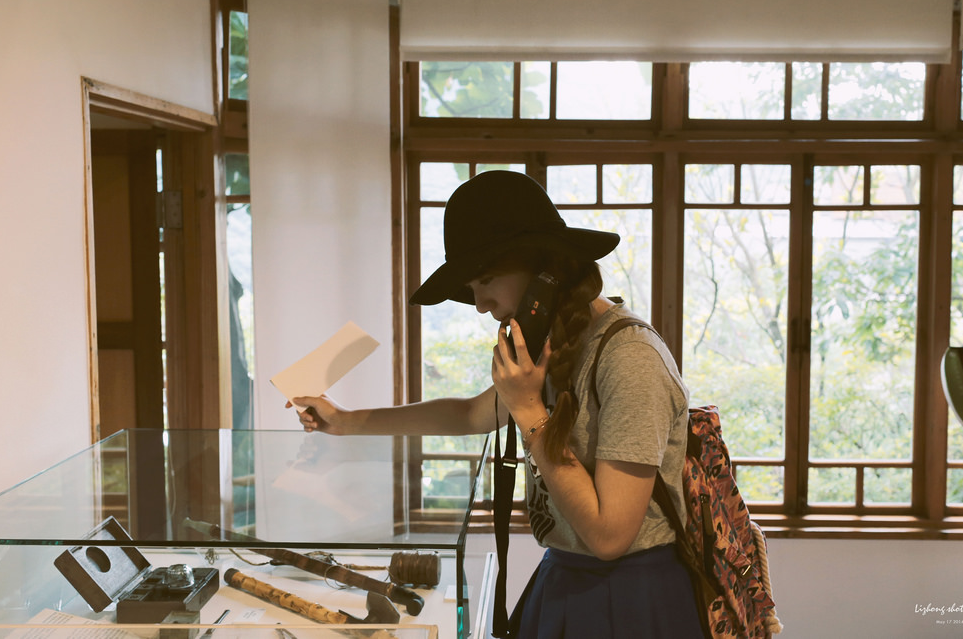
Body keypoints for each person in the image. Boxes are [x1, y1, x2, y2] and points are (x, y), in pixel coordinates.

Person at [291, 170, 704, 639]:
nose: (481, 304)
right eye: (471, 288)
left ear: (546, 271)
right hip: (566, 578)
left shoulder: (630, 358)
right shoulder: (560, 345)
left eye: (487, 280)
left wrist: (530, 411)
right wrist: (346, 422)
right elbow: (469, 414)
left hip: (630, 599)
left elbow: (611, 536)